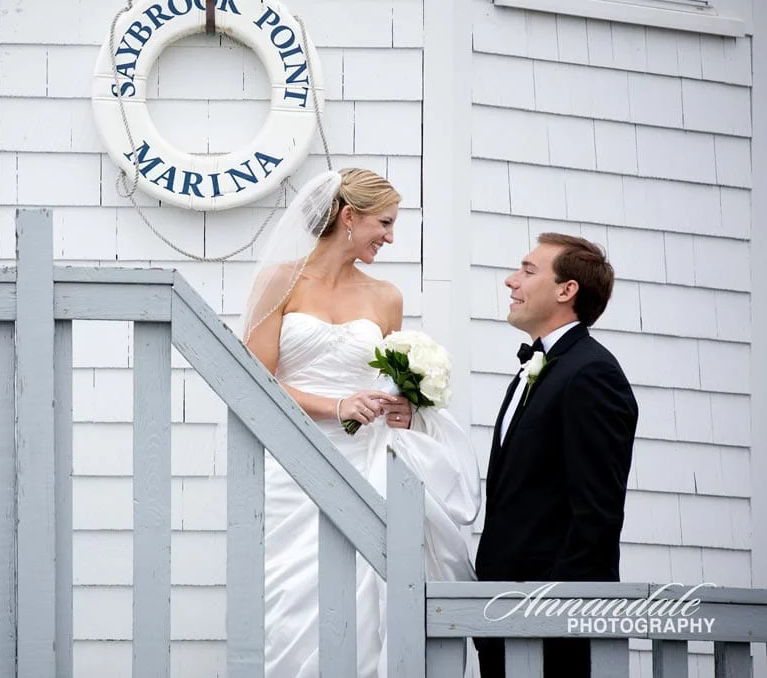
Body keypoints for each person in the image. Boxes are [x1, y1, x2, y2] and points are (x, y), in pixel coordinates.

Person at [242, 168, 482, 677]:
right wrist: (335, 406)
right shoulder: (281, 281)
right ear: (349, 217)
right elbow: (255, 382)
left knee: (367, 595)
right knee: (291, 602)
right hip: (294, 468)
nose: (390, 238)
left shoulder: (386, 297)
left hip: (367, 462)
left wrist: (405, 409)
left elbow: (389, 383)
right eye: (385, 223)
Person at [475, 233, 638, 678]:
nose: (511, 280)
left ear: (567, 290)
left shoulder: (592, 374)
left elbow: (596, 516)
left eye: (528, 271)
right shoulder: (539, 369)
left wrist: (555, 616)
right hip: (504, 614)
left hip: (551, 629)